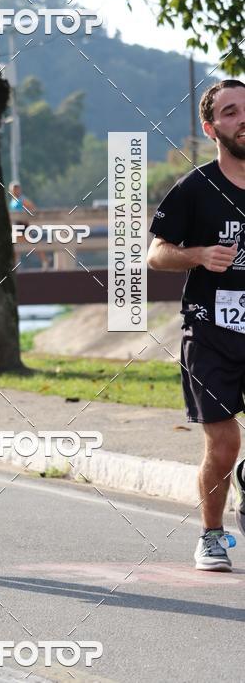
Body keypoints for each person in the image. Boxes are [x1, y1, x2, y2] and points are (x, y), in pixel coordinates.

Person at [148, 78, 245, 572]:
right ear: (211, 128)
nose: (242, 119)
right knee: (224, 443)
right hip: (211, 332)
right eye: (230, 112)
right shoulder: (196, 188)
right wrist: (199, 255)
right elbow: (155, 253)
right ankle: (211, 534)